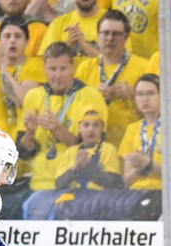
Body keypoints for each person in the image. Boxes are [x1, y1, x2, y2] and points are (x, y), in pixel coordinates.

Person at [19, 41, 107, 192]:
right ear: (44, 69)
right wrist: (30, 133)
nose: (57, 75)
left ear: (73, 68)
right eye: (52, 69)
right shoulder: (33, 96)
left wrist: (57, 129)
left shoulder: (91, 96)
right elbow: (24, 153)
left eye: (63, 69)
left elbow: (91, 150)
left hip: (76, 184)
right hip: (37, 185)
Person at [73, 9, 149, 148]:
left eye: (116, 34)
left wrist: (135, 94)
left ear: (126, 37)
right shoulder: (85, 68)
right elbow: (74, 109)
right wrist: (93, 97)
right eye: (105, 33)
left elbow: (159, 107)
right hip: (93, 147)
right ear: (97, 36)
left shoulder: (144, 66)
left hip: (131, 144)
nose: (110, 39)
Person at [55, 108, 123, 190]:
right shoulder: (71, 151)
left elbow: (114, 184)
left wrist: (88, 167)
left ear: (102, 128)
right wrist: (76, 166)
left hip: (99, 198)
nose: (91, 130)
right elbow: (59, 184)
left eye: (96, 125)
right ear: (79, 128)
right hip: (76, 197)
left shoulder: (108, 149)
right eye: (86, 125)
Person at [119, 73, 161, 190]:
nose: (145, 99)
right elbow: (126, 181)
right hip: (136, 193)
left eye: (150, 93)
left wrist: (148, 165)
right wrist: (138, 169)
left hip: (165, 193)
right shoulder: (132, 128)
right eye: (140, 94)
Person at [39, 0, 103, 59]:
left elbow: (110, 63)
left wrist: (84, 45)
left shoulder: (109, 21)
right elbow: (48, 61)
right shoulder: (58, 23)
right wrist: (68, 45)